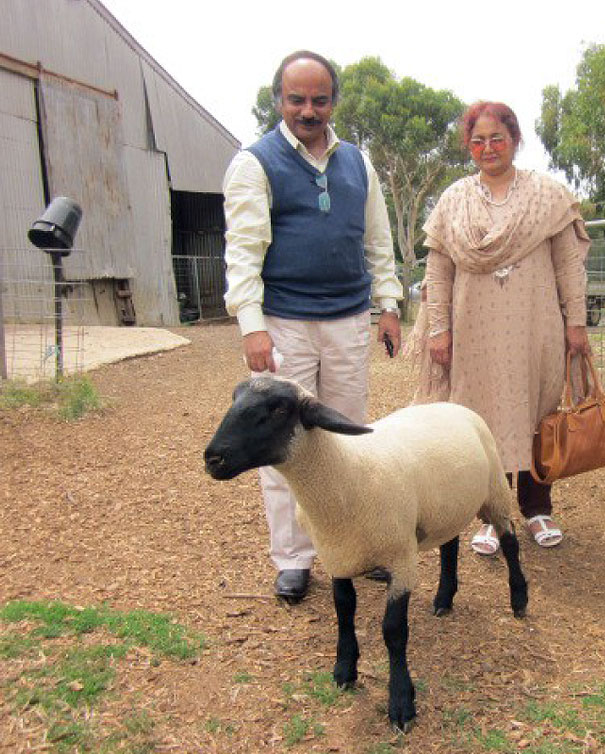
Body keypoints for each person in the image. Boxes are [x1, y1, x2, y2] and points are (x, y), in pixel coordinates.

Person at [222, 50, 403, 603]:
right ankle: (295, 558)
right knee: (285, 444)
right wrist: (252, 326)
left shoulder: (358, 163)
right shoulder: (255, 163)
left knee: (348, 438)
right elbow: (244, 251)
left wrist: (388, 303)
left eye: (319, 99)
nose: (308, 109)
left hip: (347, 319)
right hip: (285, 323)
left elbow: (378, 241)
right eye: (296, 98)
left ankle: (353, 547)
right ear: (279, 99)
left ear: (332, 102)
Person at [407, 101, 590, 554]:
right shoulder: (454, 200)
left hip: (536, 328)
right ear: (469, 147)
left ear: (515, 140)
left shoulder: (547, 195)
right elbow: (438, 271)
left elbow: (569, 265)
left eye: (497, 138)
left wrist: (577, 324)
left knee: (536, 411)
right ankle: (490, 514)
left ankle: (537, 508)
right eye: (478, 140)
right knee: (481, 419)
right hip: (475, 331)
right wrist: (438, 330)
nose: (488, 147)